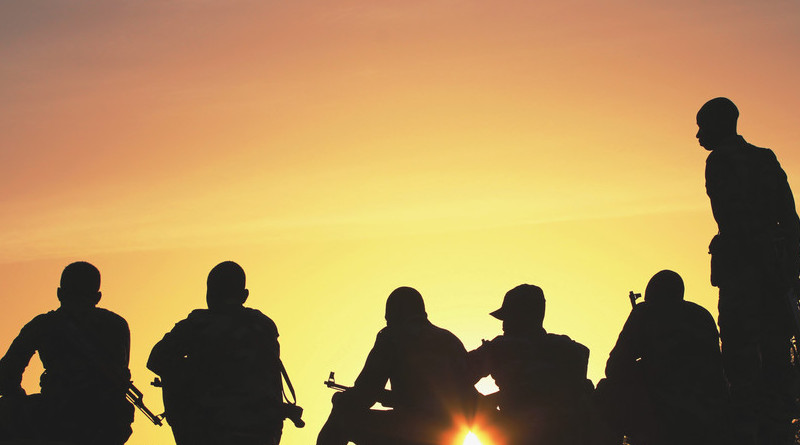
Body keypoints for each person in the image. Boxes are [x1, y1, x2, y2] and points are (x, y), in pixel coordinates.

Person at [698, 97, 800, 445]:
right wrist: (789, 269)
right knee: (776, 357)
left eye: (702, 126)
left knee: (741, 362)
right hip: (775, 272)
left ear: (721, 124)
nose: (698, 135)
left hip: (744, 272)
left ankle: (748, 431)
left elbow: (731, 219)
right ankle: (779, 429)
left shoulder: (720, 161)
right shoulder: (765, 158)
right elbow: (790, 218)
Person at [147, 261, 288, 445]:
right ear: (244, 296)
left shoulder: (197, 326)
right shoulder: (264, 326)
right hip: (262, 432)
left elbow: (156, 360)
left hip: (209, 430)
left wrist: (192, 376)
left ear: (209, 293)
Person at [316, 286, 476, 445]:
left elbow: (365, 394)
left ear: (393, 316)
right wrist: (393, 398)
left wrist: (341, 399)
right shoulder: (450, 340)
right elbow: (461, 393)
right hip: (452, 435)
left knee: (341, 415)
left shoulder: (393, 337)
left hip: (412, 432)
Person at [0, 261, 134, 444]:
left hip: (56, 417)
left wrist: (17, 401)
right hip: (108, 421)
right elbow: (120, 372)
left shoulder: (43, 325)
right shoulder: (117, 325)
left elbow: (7, 375)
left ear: (59, 293)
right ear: (98, 297)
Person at [593, 270, 729, 445]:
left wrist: (643, 366)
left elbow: (614, 368)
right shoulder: (702, 316)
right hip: (710, 413)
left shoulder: (646, 312)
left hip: (667, 412)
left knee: (606, 390)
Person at [468, 284, 591, 445]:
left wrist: (484, 403)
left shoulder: (501, 348)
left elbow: (457, 373)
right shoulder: (568, 348)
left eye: (507, 318)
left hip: (518, 434)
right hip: (564, 434)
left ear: (520, 316)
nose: (503, 324)